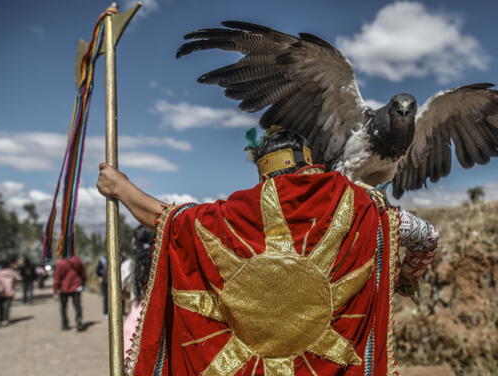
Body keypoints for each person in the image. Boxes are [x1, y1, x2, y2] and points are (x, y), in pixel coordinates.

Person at [97, 128, 439, 375]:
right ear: (310, 162)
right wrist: (406, 277)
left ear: (263, 172)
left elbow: (169, 220)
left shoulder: (234, 216)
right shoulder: (365, 207)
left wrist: (121, 188)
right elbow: (427, 236)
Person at [123, 225, 155, 356]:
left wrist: (132, 296)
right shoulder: (165, 264)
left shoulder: (130, 266)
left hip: (137, 318)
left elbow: (117, 291)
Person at [53, 255, 86, 331]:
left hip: (64, 288)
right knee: (77, 305)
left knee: (63, 307)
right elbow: (83, 274)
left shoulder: (60, 263)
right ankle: (79, 321)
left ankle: (65, 324)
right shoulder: (77, 260)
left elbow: (57, 278)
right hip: (76, 286)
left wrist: (55, 291)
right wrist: (83, 283)